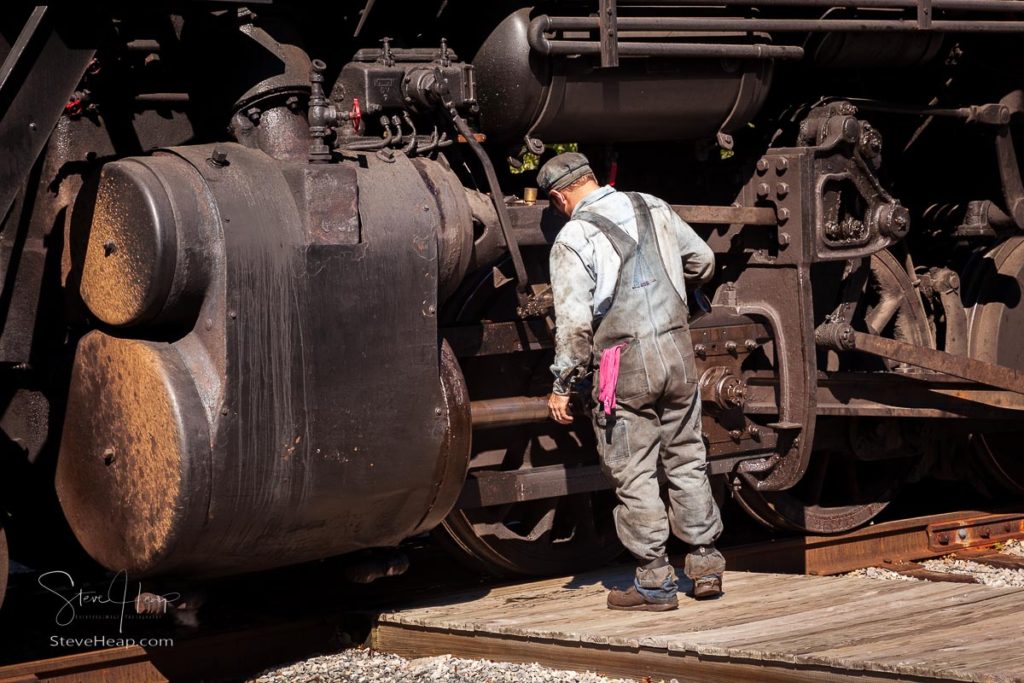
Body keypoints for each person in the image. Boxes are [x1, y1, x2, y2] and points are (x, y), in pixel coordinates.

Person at [539, 152, 726, 611]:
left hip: (623, 365)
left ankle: (656, 581)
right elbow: (702, 260)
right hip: (679, 352)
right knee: (687, 457)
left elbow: (575, 326)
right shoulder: (652, 204)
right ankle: (705, 566)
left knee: (634, 468)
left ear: (560, 196)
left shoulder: (573, 238)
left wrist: (563, 384)